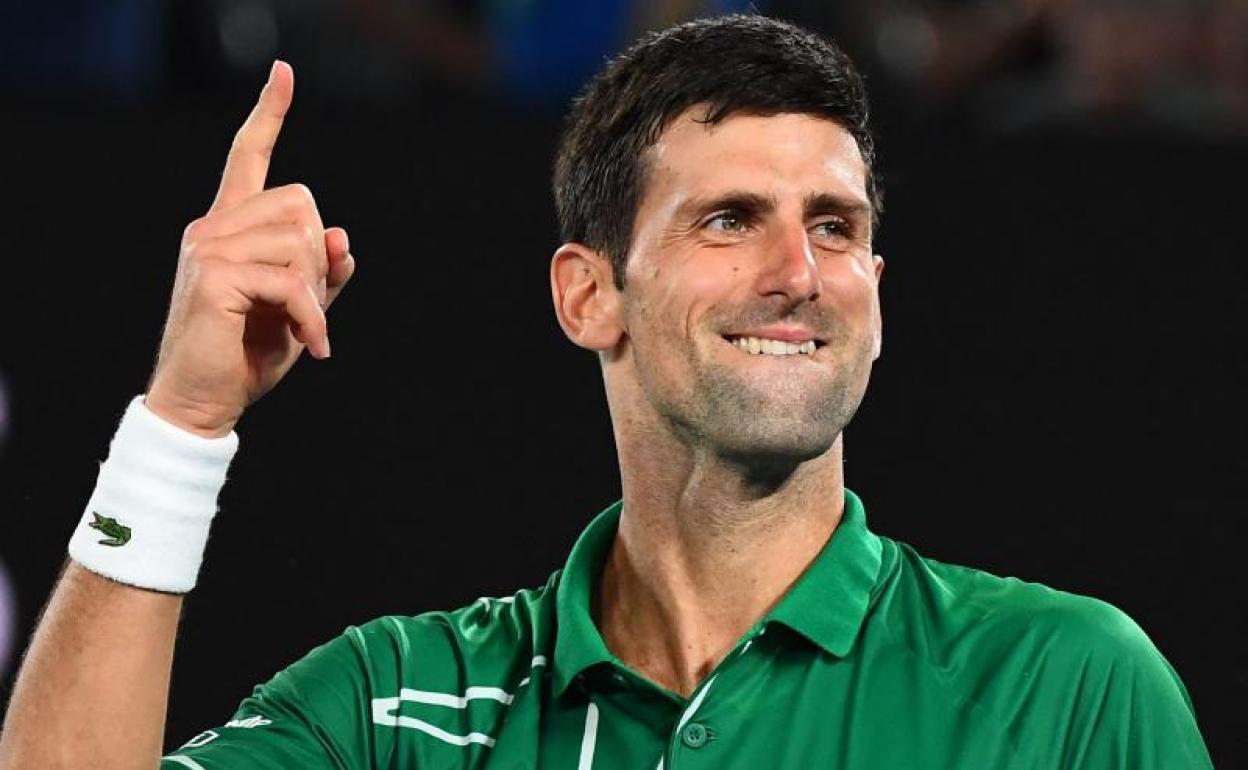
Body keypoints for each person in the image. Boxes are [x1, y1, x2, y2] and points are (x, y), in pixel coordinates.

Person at [0, 14, 1213, 770]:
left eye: (836, 227)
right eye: (730, 218)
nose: (799, 274)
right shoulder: (405, 707)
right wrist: (181, 424)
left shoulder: (1066, 685)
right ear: (589, 295)